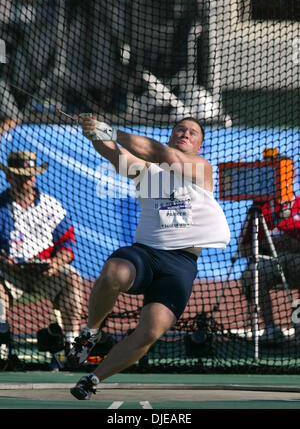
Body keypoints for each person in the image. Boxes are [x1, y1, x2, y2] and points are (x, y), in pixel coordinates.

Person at [67, 114, 230, 400]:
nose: (185, 133)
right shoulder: (148, 171)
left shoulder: (200, 168)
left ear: (199, 146)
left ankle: (92, 379)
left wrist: (108, 130)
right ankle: (91, 332)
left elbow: (160, 153)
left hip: (180, 265)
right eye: (180, 129)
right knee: (113, 272)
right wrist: (94, 134)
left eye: (193, 132)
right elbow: (116, 156)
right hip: (145, 253)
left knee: (152, 329)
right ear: (171, 134)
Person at [0, 150, 83, 358]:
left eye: (29, 175)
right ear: (9, 176)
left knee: (72, 278)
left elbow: (68, 246)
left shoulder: (52, 206)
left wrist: (55, 263)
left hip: (47, 272)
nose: (25, 180)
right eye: (19, 175)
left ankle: (71, 346)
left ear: (36, 176)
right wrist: (4, 261)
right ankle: (0, 348)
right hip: (8, 274)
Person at [240, 150, 300, 344]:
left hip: (296, 258)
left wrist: (293, 244)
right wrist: (269, 243)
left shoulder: (298, 204)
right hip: (268, 261)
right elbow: (243, 249)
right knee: (253, 274)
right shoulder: (258, 208)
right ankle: (270, 329)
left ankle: (298, 324)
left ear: (292, 175)